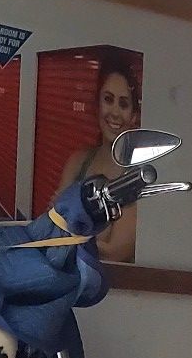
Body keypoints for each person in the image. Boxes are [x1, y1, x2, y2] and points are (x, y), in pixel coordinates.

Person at [56, 50, 141, 262]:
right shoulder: (78, 162)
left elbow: (117, 253)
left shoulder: (135, 177)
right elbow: (53, 221)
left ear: (134, 116)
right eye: (108, 99)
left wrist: (66, 233)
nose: (114, 112)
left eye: (123, 103)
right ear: (97, 104)